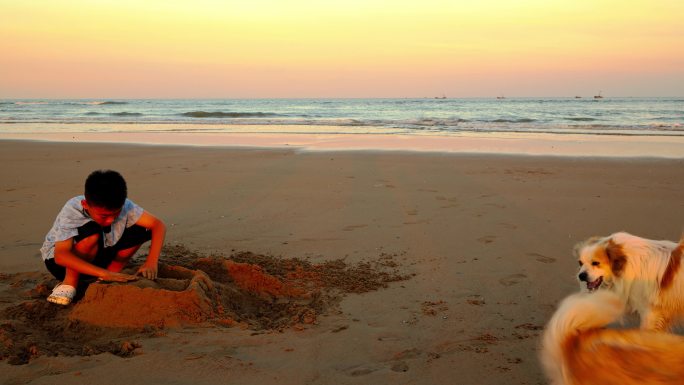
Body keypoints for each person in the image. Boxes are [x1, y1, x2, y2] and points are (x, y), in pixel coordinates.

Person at [40, 169, 166, 305]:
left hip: (99, 259)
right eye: (104, 216)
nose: (111, 220)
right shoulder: (73, 209)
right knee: (91, 231)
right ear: (85, 205)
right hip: (63, 265)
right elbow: (61, 255)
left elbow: (158, 225)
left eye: (116, 214)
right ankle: (69, 283)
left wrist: (151, 263)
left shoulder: (124, 205)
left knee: (142, 228)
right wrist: (103, 273)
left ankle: (113, 271)